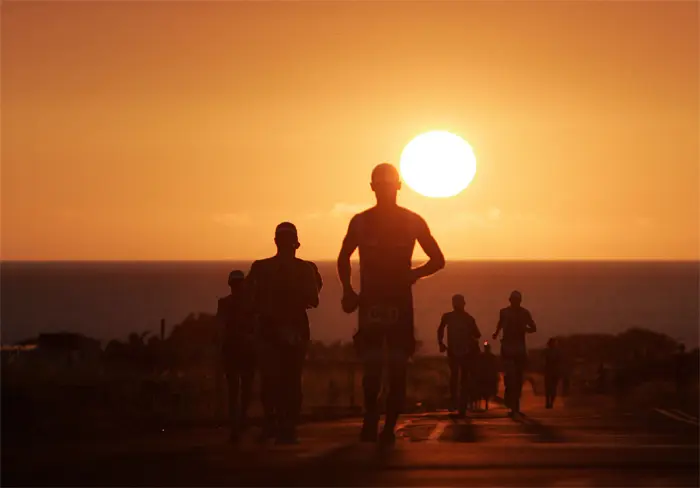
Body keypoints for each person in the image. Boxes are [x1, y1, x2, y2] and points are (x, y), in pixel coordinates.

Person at [337, 163, 445, 445]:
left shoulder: (411, 221)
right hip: (374, 302)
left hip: (395, 303)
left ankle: (386, 427)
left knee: (395, 367)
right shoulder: (361, 222)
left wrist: (412, 274)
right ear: (374, 188)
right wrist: (348, 290)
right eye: (381, 187)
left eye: (388, 186)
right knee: (374, 367)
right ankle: (374, 421)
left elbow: (438, 259)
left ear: (397, 187)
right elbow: (343, 256)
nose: (385, 192)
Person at [247, 222, 320, 444]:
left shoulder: (261, 268)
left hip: (275, 328)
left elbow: (249, 299)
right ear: (295, 243)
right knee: (289, 379)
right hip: (289, 327)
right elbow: (314, 299)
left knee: (273, 379)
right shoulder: (305, 269)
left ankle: (275, 424)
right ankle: (285, 426)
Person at [216, 270, 256, 442]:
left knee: (238, 387)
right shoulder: (249, 304)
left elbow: (220, 325)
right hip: (239, 348)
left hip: (237, 349)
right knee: (241, 387)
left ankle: (238, 420)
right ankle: (239, 420)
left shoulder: (227, 303)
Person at [492, 290, 537, 416]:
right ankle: (510, 399)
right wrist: (496, 333)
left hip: (519, 349)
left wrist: (525, 329)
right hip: (507, 348)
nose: (515, 302)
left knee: (518, 378)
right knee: (509, 376)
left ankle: (515, 404)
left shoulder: (524, 313)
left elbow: (533, 327)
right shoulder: (504, 312)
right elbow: (500, 324)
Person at [437, 294, 481, 416]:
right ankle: (458, 402)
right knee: (460, 378)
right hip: (459, 351)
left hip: (461, 351)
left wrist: (441, 343)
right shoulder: (466, 318)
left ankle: (458, 403)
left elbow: (477, 334)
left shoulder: (458, 318)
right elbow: (477, 334)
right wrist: (441, 343)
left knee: (457, 377)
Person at [478, 341, 499, 411]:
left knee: (487, 390)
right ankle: (483, 403)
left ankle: (485, 403)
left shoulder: (491, 357)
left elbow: (495, 367)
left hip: (488, 376)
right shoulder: (483, 356)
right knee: (483, 389)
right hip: (484, 376)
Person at [543, 337, 561, 409]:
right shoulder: (549, 352)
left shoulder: (555, 352)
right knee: (550, 388)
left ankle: (550, 402)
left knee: (551, 388)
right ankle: (549, 402)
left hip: (552, 372)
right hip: (550, 372)